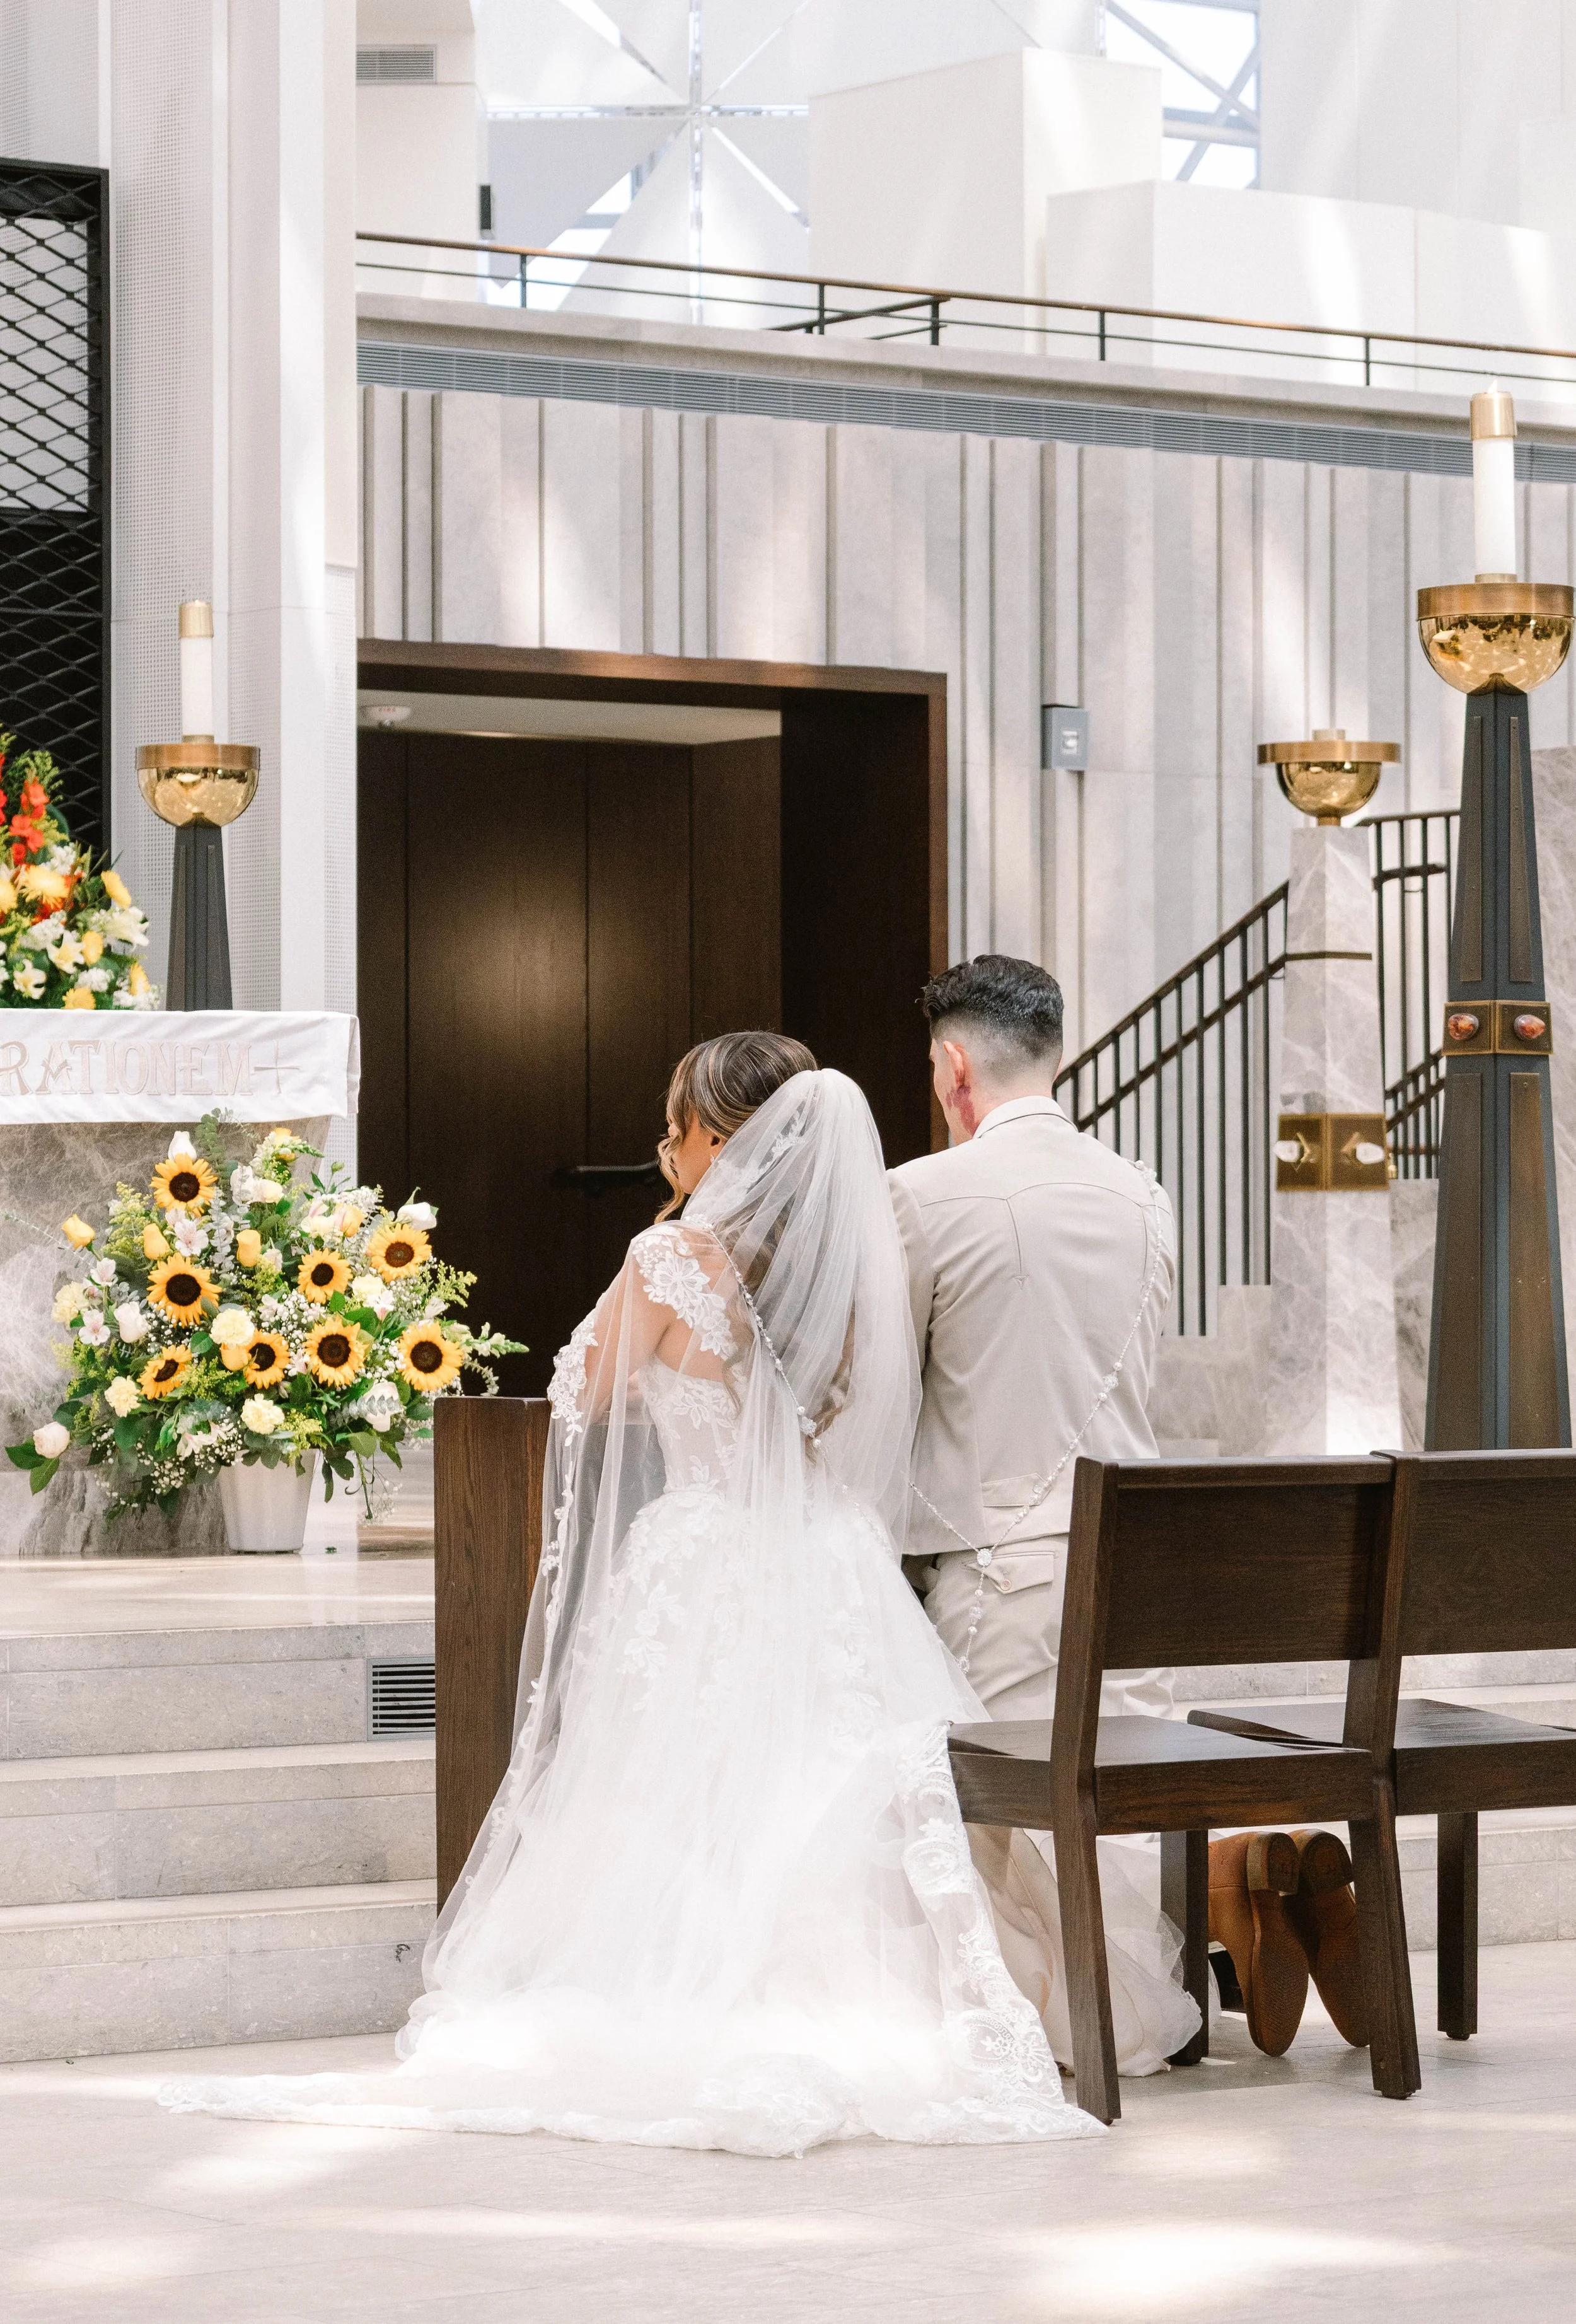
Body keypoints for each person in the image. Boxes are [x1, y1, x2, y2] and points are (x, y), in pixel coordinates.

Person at [161, 1031, 1101, 2156]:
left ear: (729, 1140)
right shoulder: (853, 1274)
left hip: (707, 1563)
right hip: (834, 1568)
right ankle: (861, 2001)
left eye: (681, 1125)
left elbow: (584, 1390)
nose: (666, 1145)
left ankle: (684, 1993)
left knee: (682, 1791)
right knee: (816, 1792)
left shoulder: (668, 1264)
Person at [888, 956, 1202, 2076]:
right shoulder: (1143, 1191)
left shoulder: (922, 1194)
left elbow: (889, 1389)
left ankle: (1043, 2021)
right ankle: (1161, 1973)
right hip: (1139, 1573)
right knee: (1095, 1804)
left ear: (953, 1065)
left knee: (968, 1802)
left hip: (1003, 1567)